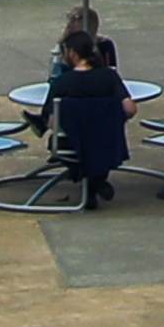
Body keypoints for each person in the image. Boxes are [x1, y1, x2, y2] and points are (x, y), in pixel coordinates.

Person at [43, 16, 132, 208]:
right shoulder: (109, 75)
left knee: (59, 142)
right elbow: (130, 108)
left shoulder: (63, 82)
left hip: (73, 141)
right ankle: (95, 183)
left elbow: (52, 122)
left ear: (72, 53)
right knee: (95, 144)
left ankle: (88, 182)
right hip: (107, 141)